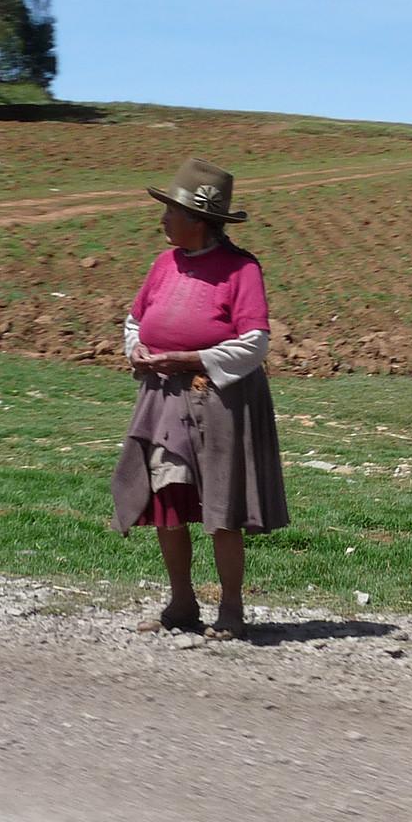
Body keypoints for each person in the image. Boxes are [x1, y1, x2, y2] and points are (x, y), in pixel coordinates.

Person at [110, 156, 289, 637]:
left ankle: (231, 610)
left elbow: (256, 342)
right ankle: (181, 605)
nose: (162, 218)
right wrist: (139, 350)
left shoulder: (241, 269)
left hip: (219, 399)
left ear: (198, 220)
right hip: (163, 397)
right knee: (168, 496)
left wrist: (190, 359)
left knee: (222, 505)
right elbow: (134, 320)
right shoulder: (163, 264)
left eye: (171, 210)